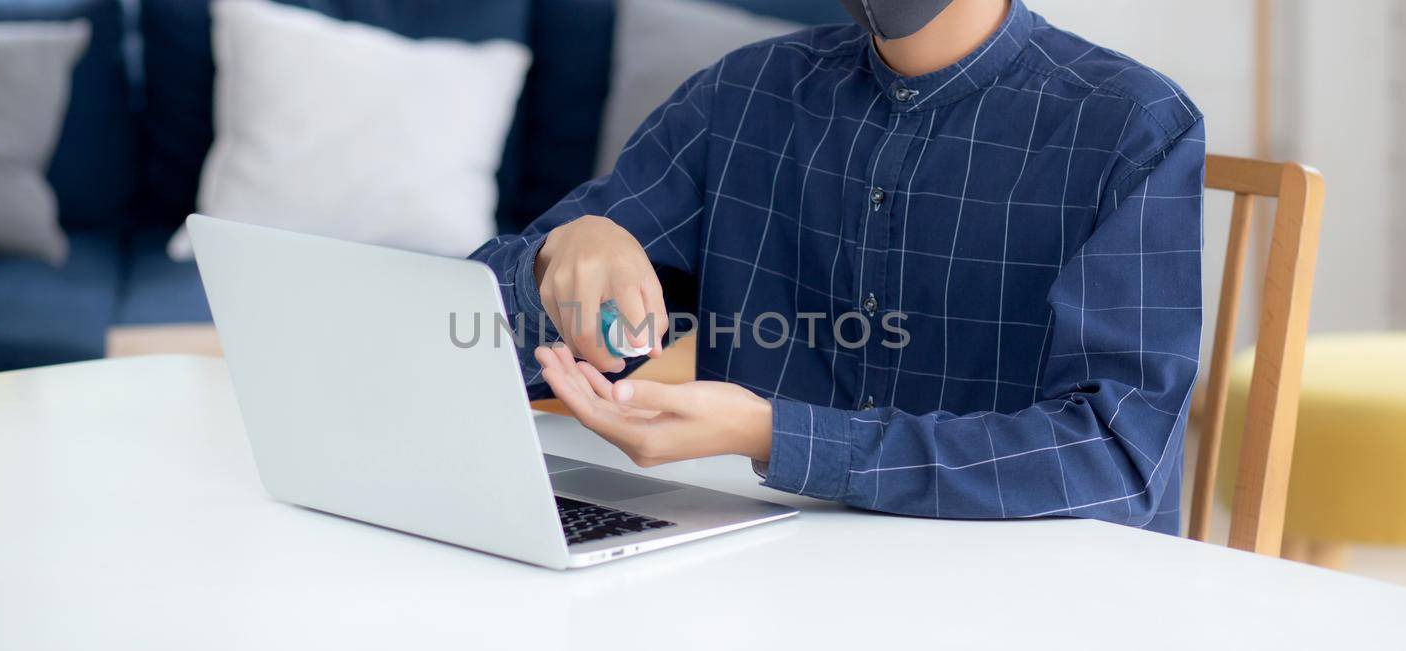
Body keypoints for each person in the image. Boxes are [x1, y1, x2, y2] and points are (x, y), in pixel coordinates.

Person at [470, 0, 1204, 534]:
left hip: (1025, 596)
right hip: (760, 578)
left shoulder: (1131, 126)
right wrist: (558, 254)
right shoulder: (743, 95)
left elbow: (1114, 457)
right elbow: (476, 338)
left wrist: (775, 434)